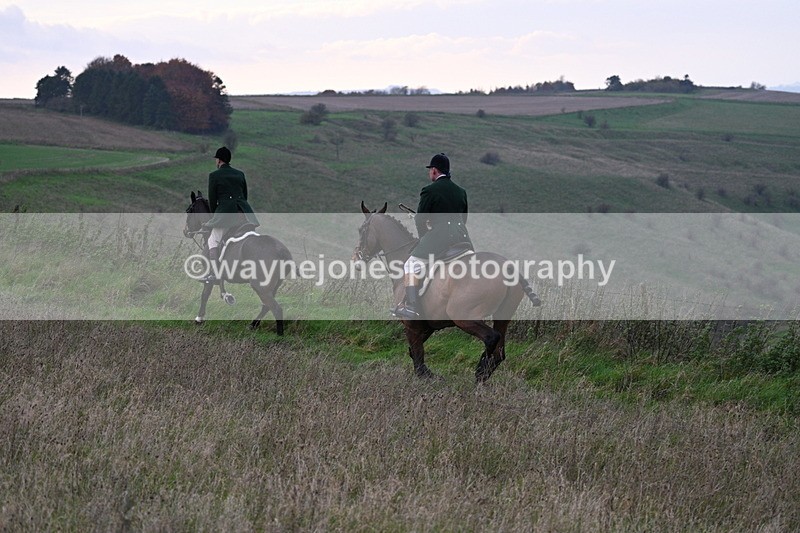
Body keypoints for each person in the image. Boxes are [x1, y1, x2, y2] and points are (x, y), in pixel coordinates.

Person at [393, 153, 472, 319]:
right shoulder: (461, 192)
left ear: (434, 170)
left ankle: (412, 307)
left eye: (430, 170)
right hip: (462, 238)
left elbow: (420, 219)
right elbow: (463, 219)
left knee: (410, 265)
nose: (430, 173)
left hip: (439, 239)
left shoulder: (429, 190)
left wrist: (425, 237)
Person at [198, 146, 260, 283]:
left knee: (213, 240)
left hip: (226, 215)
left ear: (219, 160)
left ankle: (215, 274)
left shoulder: (214, 175)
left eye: (216, 159)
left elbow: (213, 200)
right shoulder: (240, 174)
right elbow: (244, 196)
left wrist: (216, 217)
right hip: (244, 214)